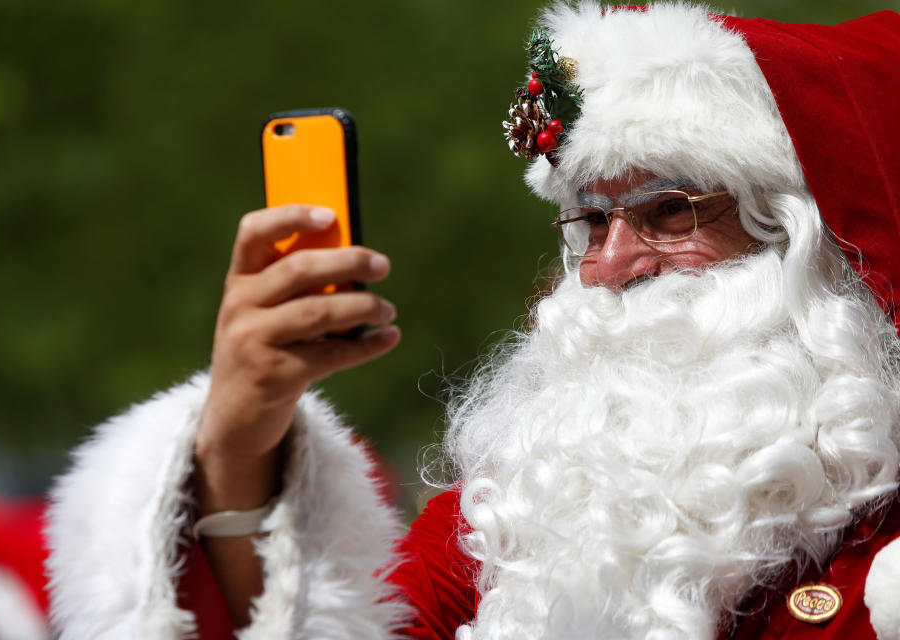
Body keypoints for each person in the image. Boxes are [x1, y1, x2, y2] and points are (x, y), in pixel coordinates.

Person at [45, 3, 900, 639]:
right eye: (591, 222)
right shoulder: (527, 515)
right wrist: (240, 434)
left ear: (803, 240)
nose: (608, 266)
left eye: (669, 213)